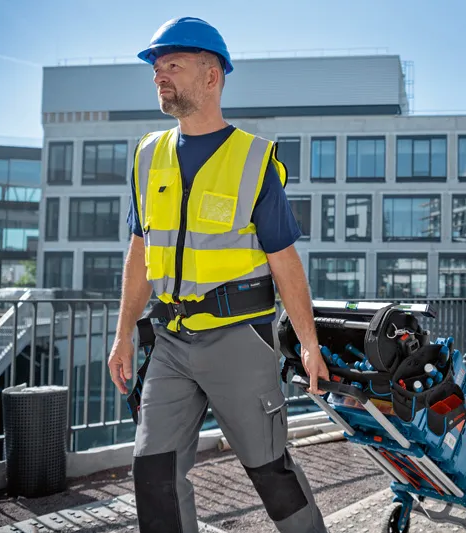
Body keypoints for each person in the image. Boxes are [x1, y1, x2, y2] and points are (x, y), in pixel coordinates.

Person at [106, 16, 330, 533]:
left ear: (212, 76)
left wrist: (309, 342)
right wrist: (123, 336)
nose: (159, 76)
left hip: (240, 341)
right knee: (153, 472)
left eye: (172, 66)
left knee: (272, 474)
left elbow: (285, 261)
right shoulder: (146, 156)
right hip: (171, 341)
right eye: (156, 69)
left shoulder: (254, 158)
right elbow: (140, 253)